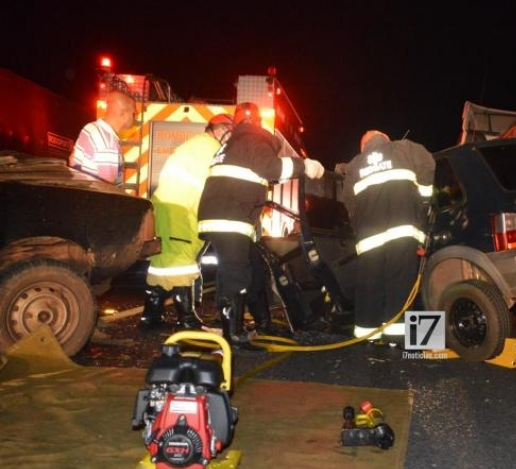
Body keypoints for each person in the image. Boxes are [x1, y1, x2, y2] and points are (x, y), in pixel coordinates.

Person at [197, 102, 325, 348]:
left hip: (224, 215)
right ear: (257, 122)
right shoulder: (254, 137)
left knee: (253, 269)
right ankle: (232, 335)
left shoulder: (233, 143)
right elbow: (270, 168)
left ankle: (261, 323)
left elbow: (253, 175)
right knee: (236, 273)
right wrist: (304, 166)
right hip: (231, 218)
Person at [139, 113, 235, 329]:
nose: (231, 140)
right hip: (181, 212)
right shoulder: (212, 149)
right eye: (230, 133)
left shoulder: (191, 145)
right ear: (220, 130)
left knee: (162, 265)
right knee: (181, 265)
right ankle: (187, 319)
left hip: (165, 209)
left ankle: (150, 316)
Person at [342, 130, 435, 344]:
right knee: (400, 283)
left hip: (369, 239)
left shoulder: (355, 165)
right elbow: (429, 164)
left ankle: (367, 335)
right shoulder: (406, 148)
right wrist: (422, 203)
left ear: (364, 146)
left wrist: (359, 227)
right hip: (403, 233)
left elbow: (349, 204)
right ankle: (401, 339)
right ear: (386, 139)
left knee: (369, 284)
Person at [70, 90, 136, 185]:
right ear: (123, 114)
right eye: (133, 114)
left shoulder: (90, 128)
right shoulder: (107, 143)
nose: (135, 117)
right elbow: (107, 190)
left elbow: (72, 161)